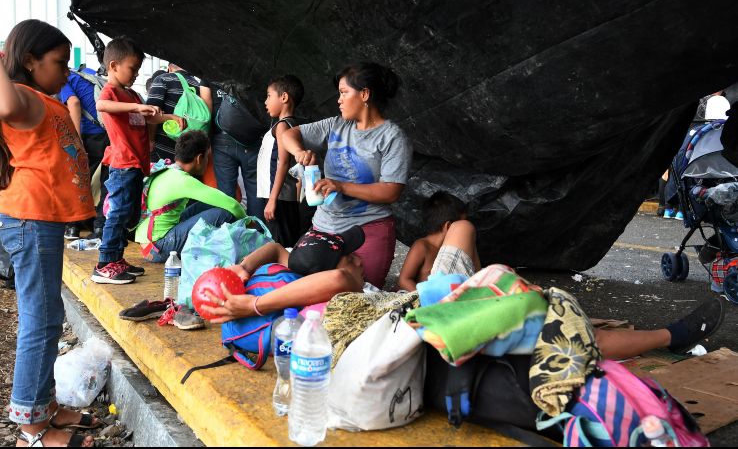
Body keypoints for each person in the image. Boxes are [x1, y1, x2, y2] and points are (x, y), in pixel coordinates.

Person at [204, 217, 725, 361]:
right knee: (547, 329)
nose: (360, 259)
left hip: (425, 317)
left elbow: (272, 250)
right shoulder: (328, 293)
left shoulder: (290, 276)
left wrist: (240, 273)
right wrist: (248, 298)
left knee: (543, 319)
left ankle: (665, 335)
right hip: (424, 327)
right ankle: (671, 335)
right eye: (352, 252)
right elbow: (339, 278)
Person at [0, 16, 100, 447]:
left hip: (39, 222)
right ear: (29, 61)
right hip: (29, 220)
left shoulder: (44, 99)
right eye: (59, 62)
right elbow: (4, 106)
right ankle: (30, 427)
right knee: (39, 321)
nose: (66, 72)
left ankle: (43, 407)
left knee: (48, 318)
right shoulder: (23, 98)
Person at [281, 62, 413, 289]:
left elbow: (391, 190)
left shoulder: (392, 137)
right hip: (324, 226)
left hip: (368, 229)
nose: (339, 100)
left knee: (361, 296)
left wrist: (341, 186)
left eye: (344, 93)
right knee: (313, 294)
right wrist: (299, 152)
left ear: (364, 94)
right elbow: (288, 134)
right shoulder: (336, 125)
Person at [92, 37, 183, 285]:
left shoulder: (132, 94)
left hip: (137, 164)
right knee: (119, 213)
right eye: (132, 69)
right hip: (122, 163)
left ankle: (117, 259)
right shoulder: (111, 92)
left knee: (130, 215)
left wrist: (168, 117)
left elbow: (148, 117)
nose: (136, 74)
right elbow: (102, 104)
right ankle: (104, 263)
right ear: (113, 66)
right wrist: (135, 109)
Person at [199, 225, 367, 323]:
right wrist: (253, 303)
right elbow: (338, 278)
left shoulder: (305, 278)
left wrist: (244, 269)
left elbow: (276, 249)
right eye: (350, 259)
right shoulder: (345, 285)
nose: (360, 262)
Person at [136, 130, 247, 263]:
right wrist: (248, 222)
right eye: (207, 157)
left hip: (148, 243)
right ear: (199, 158)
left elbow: (220, 199)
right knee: (224, 213)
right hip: (159, 248)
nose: (208, 161)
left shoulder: (167, 171)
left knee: (213, 204)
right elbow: (232, 204)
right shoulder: (183, 180)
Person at [203, 77, 268, 220]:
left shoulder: (208, 74)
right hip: (251, 137)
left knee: (226, 195)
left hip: (222, 139)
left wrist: (206, 141)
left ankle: (231, 232)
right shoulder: (246, 69)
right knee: (255, 190)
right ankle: (258, 234)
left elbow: (206, 110)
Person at [256, 74, 310, 246]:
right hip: (283, 197)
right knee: (284, 242)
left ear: (284, 97)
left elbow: (283, 162)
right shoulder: (291, 125)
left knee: (279, 245)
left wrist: (272, 200)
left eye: (269, 96)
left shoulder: (282, 126)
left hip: (279, 197)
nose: (265, 101)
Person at [59, 66, 109, 240]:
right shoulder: (88, 74)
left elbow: (73, 103)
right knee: (104, 181)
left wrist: (76, 140)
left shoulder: (65, 77)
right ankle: (100, 227)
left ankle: (73, 227)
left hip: (89, 136)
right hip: (106, 132)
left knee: (78, 179)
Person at [399, 191, 480, 291]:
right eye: (461, 224)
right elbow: (404, 279)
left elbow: (477, 273)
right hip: (427, 299)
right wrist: (422, 297)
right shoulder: (422, 246)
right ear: (449, 226)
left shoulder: (453, 251)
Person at [146, 63, 202, 162]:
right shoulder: (199, 86)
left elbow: (150, 114)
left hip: (162, 152)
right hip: (189, 154)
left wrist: (150, 141)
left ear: (170, 68)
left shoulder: (162, 79)